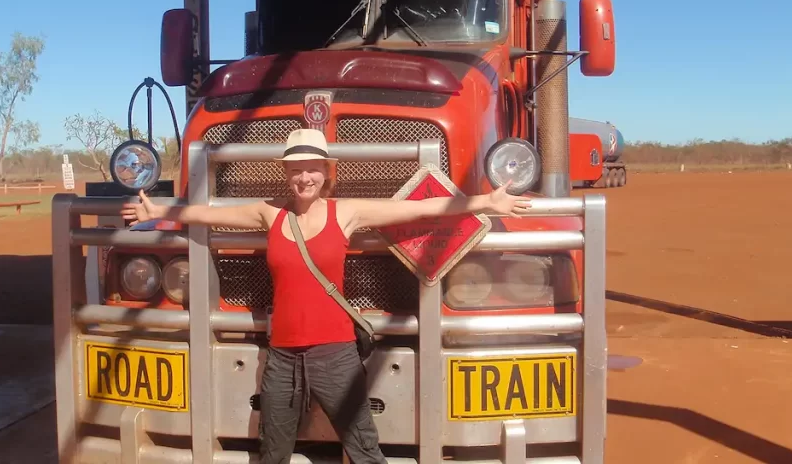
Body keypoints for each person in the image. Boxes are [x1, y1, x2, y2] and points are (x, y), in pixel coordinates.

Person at [120, 128, 532, 463]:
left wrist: (488, 201)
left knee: (363, 449)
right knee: (274, 450)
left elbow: (420, 210)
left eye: (313, 169)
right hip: (282, 355)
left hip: (336, 354)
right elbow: (209, 213)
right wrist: (158, 211)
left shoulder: (346, 211)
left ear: (325, 172)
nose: (305, 178)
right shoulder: (270, 213)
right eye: (297, 170)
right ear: (287, 173)